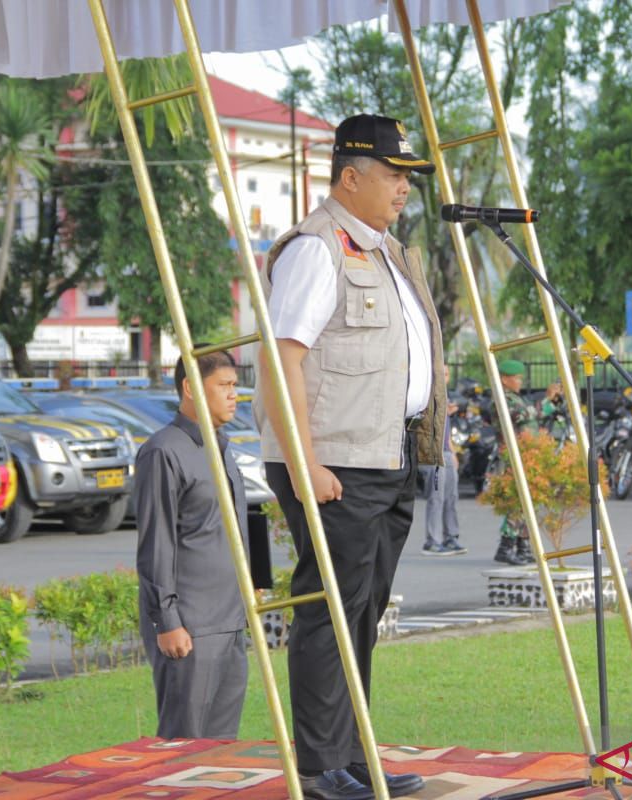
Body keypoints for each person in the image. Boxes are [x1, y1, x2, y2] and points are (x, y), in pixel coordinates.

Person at [255, 113, 445, 800]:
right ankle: (319, 766)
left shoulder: (386, 251)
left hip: (383, 455)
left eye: (407, 178)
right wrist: (305, 463)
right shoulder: (318, 249)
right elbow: (282, 360)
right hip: (334, 462)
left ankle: (354, 751)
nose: (404, 189)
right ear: (351, 176)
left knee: (361, 611)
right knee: (330, 610)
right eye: (395, 175)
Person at [135, 349, 249, 740]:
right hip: (190, 626)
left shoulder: (221, 448)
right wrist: (166, 621)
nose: (234, 394)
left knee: (221, 747)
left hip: (231, 619)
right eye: (224, 385)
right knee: (184, 746)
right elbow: (156, 542)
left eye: (235, 385)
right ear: (189, 388)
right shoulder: (164, 451)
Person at [494, 359, 538, 566]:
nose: (520, 381)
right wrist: (545, 401)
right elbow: (523, 415)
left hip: (526, 455)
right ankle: (506, 546)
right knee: (518, 501)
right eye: (517, 377)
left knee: (528, 501)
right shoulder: (502, 399)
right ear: (504, 379)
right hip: (512, 456)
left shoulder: (516, 398)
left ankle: (523, 546)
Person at [420, 364, 466, 556]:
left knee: (451, 496)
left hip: (446, 452)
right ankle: (432, 541)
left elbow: (445, 432)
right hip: (433, 454)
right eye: (441, 373)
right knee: (436, 497)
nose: (444, 377)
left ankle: (451, 537)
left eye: (447, 374)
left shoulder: (444, 397)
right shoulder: (426, 396)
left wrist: (453, 452)